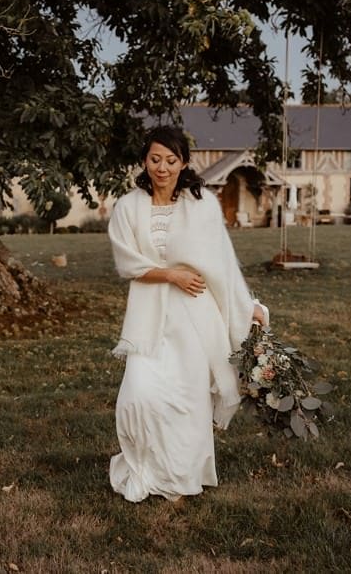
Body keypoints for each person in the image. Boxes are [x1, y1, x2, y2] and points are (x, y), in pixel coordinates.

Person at [107, 125, 267, 503]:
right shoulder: (128, 207)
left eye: (171, 160)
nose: (162, 167)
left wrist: (246, 308)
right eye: (155, 159)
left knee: (187, 401)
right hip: (149, 316)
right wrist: (171, 275)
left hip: (194, 316)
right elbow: (128, 264)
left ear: (183, 163)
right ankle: (145, 469)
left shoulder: (202, 205)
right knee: (139, 395)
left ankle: (179, 477)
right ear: (144, 161)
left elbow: (222, 265)